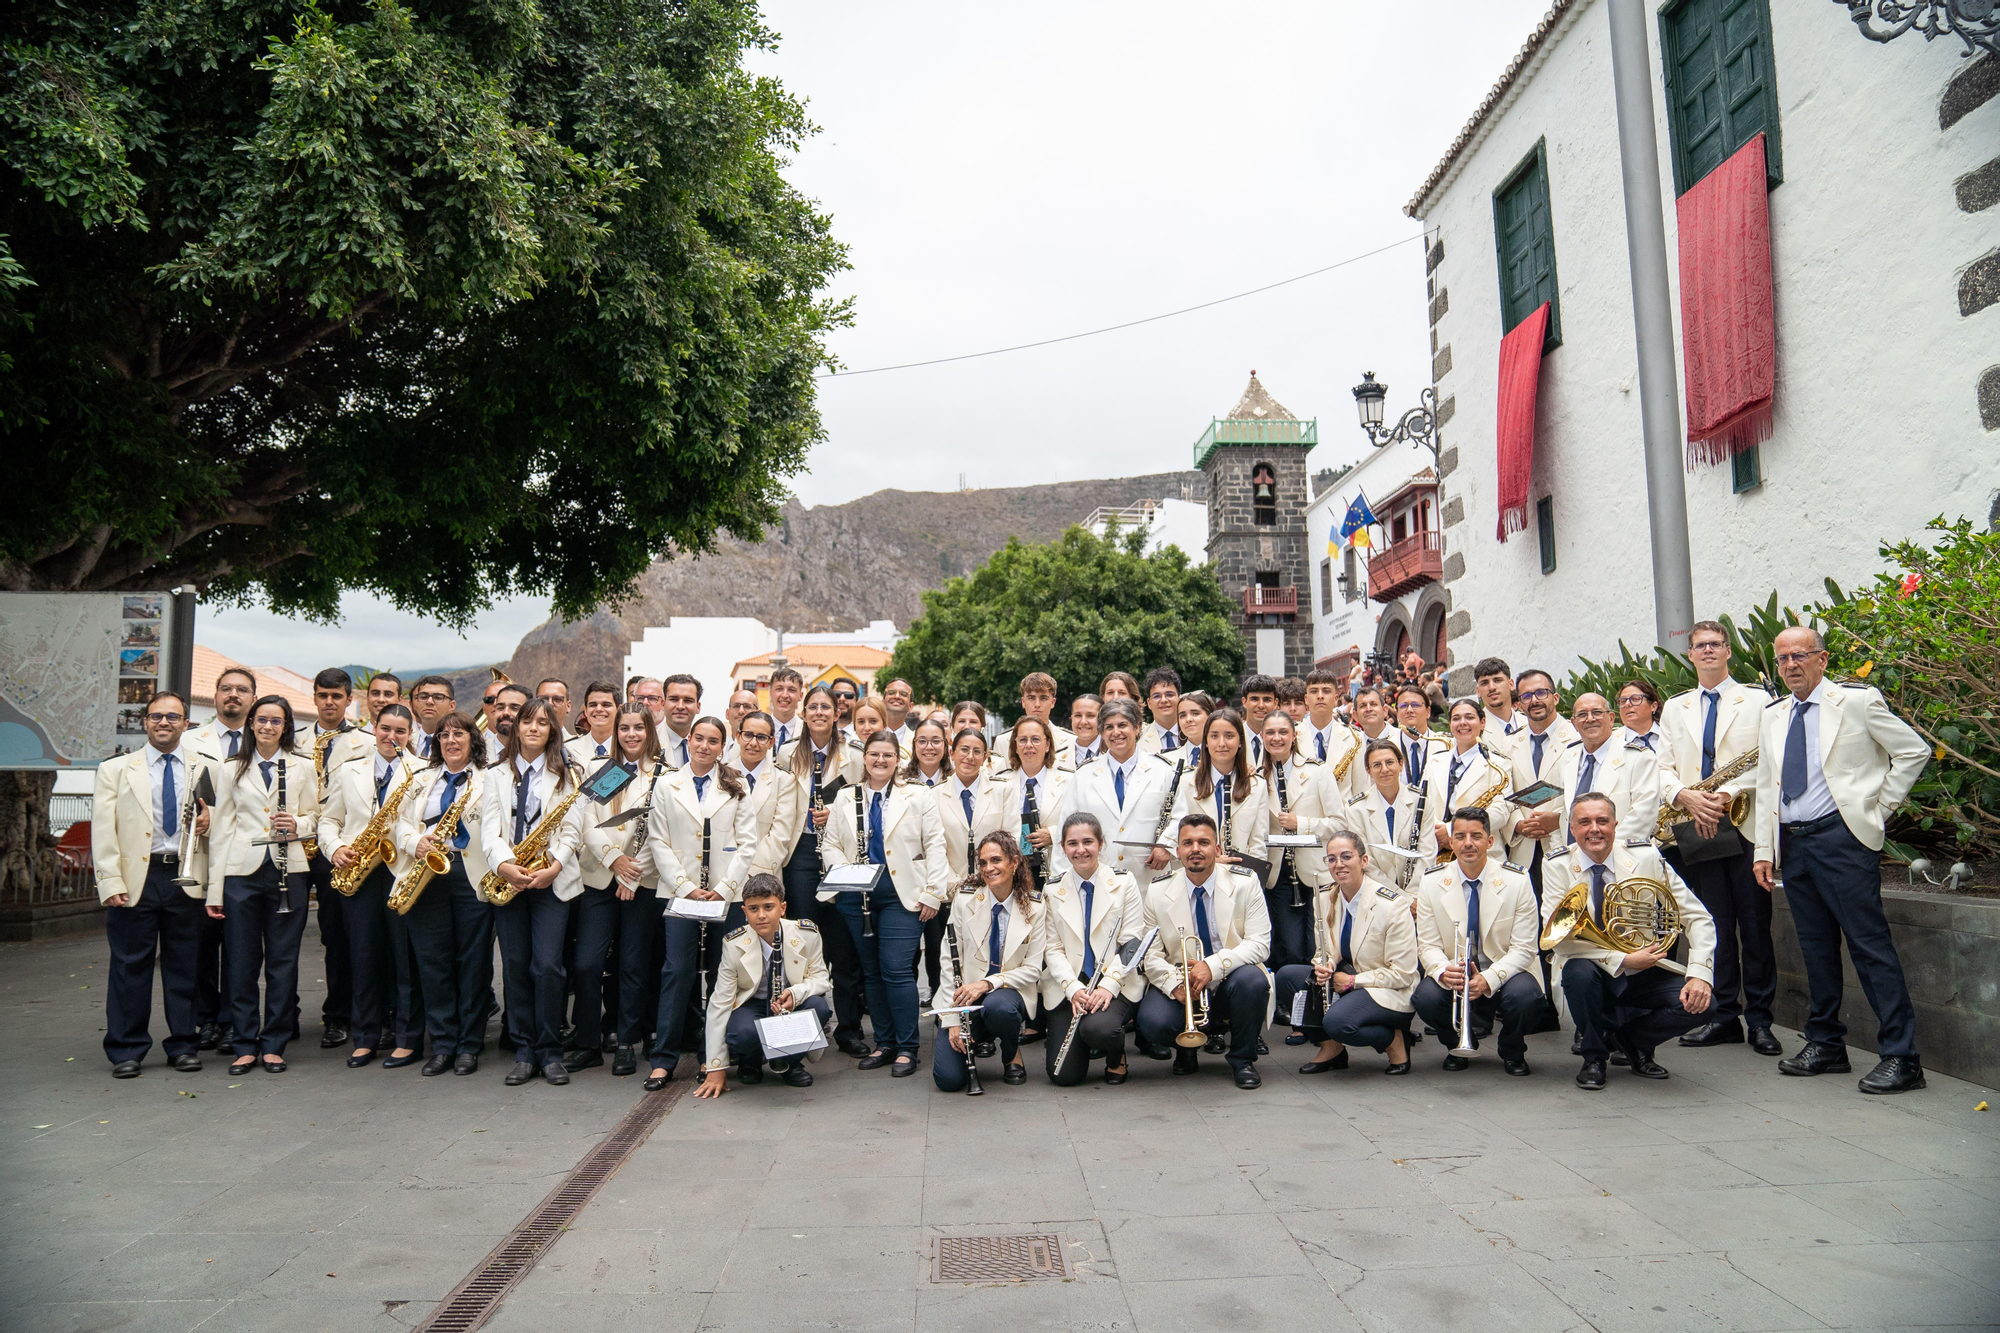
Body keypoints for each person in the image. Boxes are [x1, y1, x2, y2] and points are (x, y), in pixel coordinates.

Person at [1754, 626, 1930, 1095]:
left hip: (1843, 840)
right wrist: (1763, 850)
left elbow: (1914, 751)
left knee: (1870, 949)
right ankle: (1827, 1044)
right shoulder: (1773, 715)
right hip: (1794, 844)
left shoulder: (1856, 701)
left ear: (1822, 659)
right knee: (1815, 950)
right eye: (1783, 658)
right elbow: (1767, 784)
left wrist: (1879, 808)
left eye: (1799, 656)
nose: (1791, 665)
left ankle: (1902, 1057)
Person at [1659, 621, 1780, 1054]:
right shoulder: (1675, 708)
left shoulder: (1760, 700)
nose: (1707, 651)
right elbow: (1661, 765)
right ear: (1689, 654)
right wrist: (1685, 796)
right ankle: (1725, 1016)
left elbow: (1770, 759)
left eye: (1715, 644)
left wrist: (1728, 792)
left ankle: (1761, 1021)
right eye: (1699, 646)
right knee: (1714, 924)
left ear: (1728, 651)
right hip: (1699, 823)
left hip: (1743, 823)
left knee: (1755, 927)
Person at [1547, 794, 1717, 1089]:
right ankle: (1594, 1057)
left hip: (1645, 970)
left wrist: (1699, 975)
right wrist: (1623, 959)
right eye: (1584, 822)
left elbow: (1697, 916)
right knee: (1577, 973)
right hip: (1594, 970)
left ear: (1615, 824)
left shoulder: (1646, 857)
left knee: (1705, 1004)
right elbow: (1560, 938)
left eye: (1602, 821)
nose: (1594, 829)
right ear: (1571, 829)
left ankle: (1631, 1041)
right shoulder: (1557, 865)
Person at [93, 690, 214, 1077]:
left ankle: (183, 1044)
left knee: (185, 966)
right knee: (130, 965)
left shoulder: (205, 767)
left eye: (173, 717)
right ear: (144, 722)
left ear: (186, 724)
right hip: (135, 879)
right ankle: (127, 1049)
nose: (164, 722)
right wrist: (109, 880)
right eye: (156, 716)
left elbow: (221, 825)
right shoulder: (115, 770)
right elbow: (104, 831)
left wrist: (210, 825)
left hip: (185, 876)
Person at [819, 731, 951, 1078]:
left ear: (897, 759)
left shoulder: (918, 795)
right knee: (872, 973)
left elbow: (935, 843)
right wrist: (847, 871)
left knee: (896, 969)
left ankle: (908, 1047)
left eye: (888, 756)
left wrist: (933, 892)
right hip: (855, 896)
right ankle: (885, 1042)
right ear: (865, 758)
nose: (880, 761)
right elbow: (830, 844)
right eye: (874, 754)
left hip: (900, 895)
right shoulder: (847, 797)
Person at [207, 694, 320, 1075]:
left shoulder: (303, 767)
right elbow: (221, 829)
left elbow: (315, 818)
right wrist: (215, 888)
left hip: (289, 868)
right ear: (251, 723)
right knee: (240, 961)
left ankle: (274, 1043)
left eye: (276, 721)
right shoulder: (230, 769)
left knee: (283, 962)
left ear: (286, 726)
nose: (268, 727)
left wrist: (298, 825)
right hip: (242, 872)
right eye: (262, 720)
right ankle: (243, 1043)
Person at [645, 715, 759, 1089]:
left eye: (713, 741)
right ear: (689, 741)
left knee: (722, 975)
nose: (705, 746)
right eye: (699, 739)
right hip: (682, 896)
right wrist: (684, 886)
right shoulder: (667, 784)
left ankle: (714, 1059)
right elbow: (658, 841)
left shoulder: (735, 785)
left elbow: (747, 843)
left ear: (723, 746)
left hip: (724, 896)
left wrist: (725, 888)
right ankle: (663, 1059)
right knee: (676, 973)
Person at [482, 698, 587, 1087]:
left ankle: (551, 1050)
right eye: (528, 721)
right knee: (515, 968)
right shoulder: (494, 775)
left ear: (551, 730)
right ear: (517, 728)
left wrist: (554, 866)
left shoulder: (567, 773)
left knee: (548, 967)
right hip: (509, 878)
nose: (533, 728)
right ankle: (525, 1051)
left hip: (551, 880)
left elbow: (573, 830)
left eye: (542, 723)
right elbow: (489, 831)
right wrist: (505, 865)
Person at [316, 703, 424, 1068]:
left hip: (401, 870)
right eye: (385, 729)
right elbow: (328, 821)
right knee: (363, 955)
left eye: (400, 731)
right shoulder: (348, 770)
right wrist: (336, 848)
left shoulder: (422, 770)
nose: (391, 737)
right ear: (373, 728)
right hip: (359, 868)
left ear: (410, 735)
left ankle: (405, 1036)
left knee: (403, 957)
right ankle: (365, 1035)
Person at [1137, 814, 1272, 1089]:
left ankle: (1243, 1060)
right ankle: (1185, 1050)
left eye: (1203, 842)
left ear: (1218, 850)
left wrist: (1213, 966)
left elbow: (1261, 943)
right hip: (1184, 983)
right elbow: (1149, 954)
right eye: (1187, 843)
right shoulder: (1157, 891)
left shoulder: (1246, 883)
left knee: (1253, 982)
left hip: (1229, 979)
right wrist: (1173, 984)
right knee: (1153, 1022)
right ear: (1178, 851)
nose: (1195, 849)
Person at [392, 711, 493, 1077]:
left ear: (473, 740)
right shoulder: (419, 778)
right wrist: (415, 841)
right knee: (433, 963)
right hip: (427, 873)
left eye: (459, 734)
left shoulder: (491, 779)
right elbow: (396, 822)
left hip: (471, 874)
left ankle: (469, 1045)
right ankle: (443, 1044)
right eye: (444, 735)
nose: (451, 740)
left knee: (473, 963)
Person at [770, 684, 868, 1058]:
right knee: (801, 943)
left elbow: (862, 805)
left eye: (826, 707)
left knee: (843, 947)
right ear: (804, 712)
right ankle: (801, 1029)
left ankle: (848, 1029)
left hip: (841, 855)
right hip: (801, 855)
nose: (819, 713)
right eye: (812, 707)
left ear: (836, 712)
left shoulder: (854, 756)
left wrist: (837, 813)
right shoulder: (785, 753)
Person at [571, 703, 669, 1076]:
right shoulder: (603, 771)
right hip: (600, 878)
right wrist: (614, 861)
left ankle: (627, 1041)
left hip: (642, 883)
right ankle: (588, 1043)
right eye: (624, 728)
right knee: (587, 963)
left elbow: (660, 831)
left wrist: (630, 876)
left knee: (633, 964)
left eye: (638, 728)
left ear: (649, 732)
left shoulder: (664, 775)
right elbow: (587, 823)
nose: (631, 735)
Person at [1411, 808, 1543, 1076]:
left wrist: (1490, 978)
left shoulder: (1517, 880)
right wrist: (1443, 970)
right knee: (1425, 997)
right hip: (1456, 970)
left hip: (1503, 971)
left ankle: (1512, 1049)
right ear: (1451, 841)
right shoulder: (1432, 881)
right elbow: (1427, 945)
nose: (1467, 843)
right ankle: (1456, 1045)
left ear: (1490, 842)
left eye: (1476, 836)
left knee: (1526, 995)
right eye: (1459, 836)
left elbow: (1525, 948)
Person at [1276, 832, 1417, 1075]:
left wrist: (1353, 982)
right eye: (1331, 859)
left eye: (1346, 856)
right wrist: (1325, 965)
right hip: (1344, 978)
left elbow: (1403, 974)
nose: (1338, 864)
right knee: (1287, 977)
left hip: (1386, 990)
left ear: (1364, 861)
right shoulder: (1324, 897)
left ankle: (1394, 1041)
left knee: (1339, 1022)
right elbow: (1325, 950)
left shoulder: (1392, 905)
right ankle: (1332, 1049)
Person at [695, 874, 832, 1096]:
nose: (761, 916)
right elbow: (719, 1003)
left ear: (783, 907)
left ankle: (790, 1062)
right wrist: (716, 1066)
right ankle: (751, 1061)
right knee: (742, 1032)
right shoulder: (733, 943)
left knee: (819, 1008)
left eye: (768, 907)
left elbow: (821, 978)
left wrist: (795, 993)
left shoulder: (807, 934)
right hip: (753, 1005)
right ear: (744, 911)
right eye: (753, 909)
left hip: (789, 1004)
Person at [933, 831, 1046, 1090]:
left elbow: (1032, 970)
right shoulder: (965, 900)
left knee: (1000, 1007)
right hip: (962, 997)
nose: (988, 868)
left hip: (1005, 995)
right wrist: (952, 1020)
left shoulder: (1036, 907)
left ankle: (1010, 1052)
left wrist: (987, 984)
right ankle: (978, 1034)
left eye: (996, 860)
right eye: (983, 862)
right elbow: (949, 961)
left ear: (1015, 862)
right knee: (949, 1081)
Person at [1039, 814, 1145, 1085]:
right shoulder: (1052, 890)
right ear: (1063, 848)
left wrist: (1108, 986)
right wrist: (1072, 988)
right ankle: (1081, 1043)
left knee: (1101, 1029)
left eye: (1088, 841)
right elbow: (1052, 948)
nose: (1081, 849)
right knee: (1063, 1076)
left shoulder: (1123, 883)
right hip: (1071, 983)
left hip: (1113, 980)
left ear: (1101, 843)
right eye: (1072, 843)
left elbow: (1131, 942)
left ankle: (1114, 1054)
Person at [300, 668, 371, 1051]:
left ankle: (339, 1016)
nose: (329, 702)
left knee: (340, 937)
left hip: (338, 849)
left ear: (348, 700)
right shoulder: (292, 740)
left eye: (337, 696)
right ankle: (282, 1014)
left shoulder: (367, 741)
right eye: (323, 695)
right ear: (314, 697)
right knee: (286, 937)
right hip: (294, 846)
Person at [1050, 699, 1187, 894]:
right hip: (1097, 883)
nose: (1116, 733)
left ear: (1137, 727)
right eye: (1109, 727)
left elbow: (1180, 816)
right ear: (1102, 732)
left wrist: (1166, 845)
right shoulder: (1083, 776)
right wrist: (1060, 881)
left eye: (1123, 725)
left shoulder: (1163, 771)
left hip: (1149, 882)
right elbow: (1066, 828)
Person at [189, 666, 257, 1049]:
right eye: (226, 689)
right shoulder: (190, 741)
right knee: (201, 944)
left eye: (242, 690)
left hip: (246, 861)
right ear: (215, 696)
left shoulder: (265, 739)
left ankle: (235, 1022)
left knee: (241, 949)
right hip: (202, 856)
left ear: (252, 698)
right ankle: (205, 1020)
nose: (233, 695)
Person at [1257, 712, 1334, 988]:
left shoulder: (1317, 771)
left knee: (1317, 946)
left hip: (1315, 872)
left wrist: (1300, 823)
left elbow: (1339, 823)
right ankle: (1291, 1005)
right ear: (1263, 737)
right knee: (1287, 948)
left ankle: (1317, 1008)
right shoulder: (1255, 778)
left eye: (1282, 732)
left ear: (1294, 736)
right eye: (1270, 733)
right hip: (1278, 875)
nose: (1276, 738)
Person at [932, 727, 1007, 1000]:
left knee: (990, 956)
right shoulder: (935, 795)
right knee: (953, 957)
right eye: (964, 749)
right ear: (951, 753)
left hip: (995, 889)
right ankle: (952, 1013)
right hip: (951, 892)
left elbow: (1009, 840)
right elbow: (934, 847)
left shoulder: (1002, 791)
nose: (970, 756)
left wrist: (988, 880)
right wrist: (958, 884)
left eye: (977, 751)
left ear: (986, 756)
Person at [1505, 668, 1580, 894]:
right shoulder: (1509, 744)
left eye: (1541, 693)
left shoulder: (1577, 738)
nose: (1534, 701)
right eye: (1526, 696)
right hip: (1523, 847)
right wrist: (1517, 823)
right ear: (1518, 704)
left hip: (1564, 841)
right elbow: (1502, 791)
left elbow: (1587, 791)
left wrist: (1558, 820)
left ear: (1555, 698)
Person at [1555, 694, 1661, 846]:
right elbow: (1561, 812)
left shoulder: (1639, 758)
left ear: (1611, 718)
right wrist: (1565, 855)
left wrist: (1600, 852)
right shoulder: (1567, 758)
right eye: (1582, 714)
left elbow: (1642, 817)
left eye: (1597, 712)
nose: (1590, 719)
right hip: (1573, 862)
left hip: (1621, 857)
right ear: (1574, 723)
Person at [1424, 699, 1520, 856]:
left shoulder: (1499, 764)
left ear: (1482, 722)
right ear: (1450, 724)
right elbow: (1423, 803)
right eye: (1456, 718)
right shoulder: (1434, 761)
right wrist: (1436, 832)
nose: (1462, 723)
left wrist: (1451, 830)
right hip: (1436, 850)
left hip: (1483, 853)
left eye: (1469, 717)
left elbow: (1500, 812)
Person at [1342, 740, 1432, 895]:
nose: (1385, 769)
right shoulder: (1355, 809)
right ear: (1368, 770)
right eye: (1377, 765)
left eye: (1390, 762)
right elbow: (1366, 862)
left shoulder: (1421, 801)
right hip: (1378, 894)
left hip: (1420, 894)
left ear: (1401, 764)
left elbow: (1427, 853)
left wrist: (1414, 895)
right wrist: (1401, 897)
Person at [1000, 716, 1067, 902]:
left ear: (1047, 745)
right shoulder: (999, 782)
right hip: (1013, 870)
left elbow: (1079, 822)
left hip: (1053, 866)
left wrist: (1052, 834)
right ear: (1015, 746)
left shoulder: (1068, 781)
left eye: (1036, 739)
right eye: (1023, 740)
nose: (1029, 745)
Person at [991, 672, 1076, 772]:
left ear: (1053, 702)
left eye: (1043, 698)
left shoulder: (1071, 741)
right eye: (1031, 698)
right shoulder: (1003, 741)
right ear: (1023, 702)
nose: (1037, 704)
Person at [1300, 668, 1362, 794]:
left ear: (1335, 698)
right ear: (1306, 699)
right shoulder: (1292, 736)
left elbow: (1361, 789)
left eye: (1326, 691)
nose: (1320, 696)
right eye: (1314, 691)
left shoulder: (1355, 738)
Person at [1393, 683, 1448, 793]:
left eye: (1415, 705)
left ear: (1428, 712)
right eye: (1403, 706)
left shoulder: (1445, 745)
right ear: (1397, 713)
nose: (1409, 710)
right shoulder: (1387, 746)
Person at [1474, 656, 1525, 758]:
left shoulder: (1529, 723)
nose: (1492, 687)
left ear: (1511, 684)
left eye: (1497, 680)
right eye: (1484, 683)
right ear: (1478, 691)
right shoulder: (1475, 730)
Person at [1614, 680, 1674, 765]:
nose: (1627, 704)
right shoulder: (1610, 741)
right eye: (1623, 701)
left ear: (1653, 706)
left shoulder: (1672, 735)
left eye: (1635, 699)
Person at [565, 680, 621, 767]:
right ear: (586, 711)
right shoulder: (568, 749)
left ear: (619, 710)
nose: (598, 709)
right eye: (593, 705)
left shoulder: (628, 749)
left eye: (606, 705)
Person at [657, 674, 702, 768]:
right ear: (663, 704)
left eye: (688, 700)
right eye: (674, 699)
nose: (680, 706)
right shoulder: (647, 743)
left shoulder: (707, 746)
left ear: (698, 707)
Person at [407, 675, 456, 761]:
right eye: (423, 697)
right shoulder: (405, 740)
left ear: (451, 706)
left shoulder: (459, 743)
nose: (429, 702)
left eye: (438, 697)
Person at [1140, 667, 1183, 755]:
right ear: (1149, 703)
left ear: (1179, 698)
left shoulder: (1195, 734)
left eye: (1169, 695)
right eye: (1157, 696)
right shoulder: (1138, 741)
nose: (1163, 700)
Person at [483, 682, 528, 764]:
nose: (505, 713)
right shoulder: (473, 752)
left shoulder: (538, 753)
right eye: (500, 707)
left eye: (514, 708)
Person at [1237, 674, 1278, 763]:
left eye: (1267, 700)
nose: (1261, 705)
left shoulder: (1282, 739)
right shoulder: (1234, 736)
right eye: (1254, 699)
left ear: (1275, 703)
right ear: (1244, 702)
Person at [902, 717, 951, 788]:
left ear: (945, 746)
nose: (929, 747)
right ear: (914, 745)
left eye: (936, 741)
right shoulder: (900, 780)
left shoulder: (955, 781)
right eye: (922, 741)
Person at [767, 666, 805, 751]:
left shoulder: (808, 731)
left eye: (791, 690)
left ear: (800, 696)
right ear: (770, 693)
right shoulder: (758, 728)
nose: (784, 695)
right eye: (779, 689)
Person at [1176, 692, 1214, 769]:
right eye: (1182, 715)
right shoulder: (1169, 758)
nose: (1188, 719)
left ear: (1210, 717)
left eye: (1195, 713)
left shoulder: (1224, 756)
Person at [1068, 694, 1104, 767]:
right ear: (1072, 718)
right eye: (1078, 715)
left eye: (1090, 716)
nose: (1083, 722)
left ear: (1102, 719)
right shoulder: (1058, 753)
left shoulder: (1112, 752)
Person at [881, 677, 917, 746]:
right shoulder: (869, 735)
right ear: (882, 703)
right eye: (891, 692)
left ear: (910, 706)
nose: (897, 696)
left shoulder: (916, 740)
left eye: (903, 694)